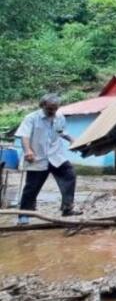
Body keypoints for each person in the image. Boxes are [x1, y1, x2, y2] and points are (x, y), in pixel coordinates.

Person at [15, 94, 82, 225]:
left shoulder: (60, 117)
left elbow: (62, 132)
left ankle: (67, 208)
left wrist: (73, 140)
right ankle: (24, 215)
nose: (53, 111)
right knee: (32, 187)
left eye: (55, 108)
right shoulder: (31, 118)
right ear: (43, 105)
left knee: (69, 175)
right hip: (38, 157)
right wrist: (28, 150)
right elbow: (24, 135)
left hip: (56, 156)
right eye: (50, 108)